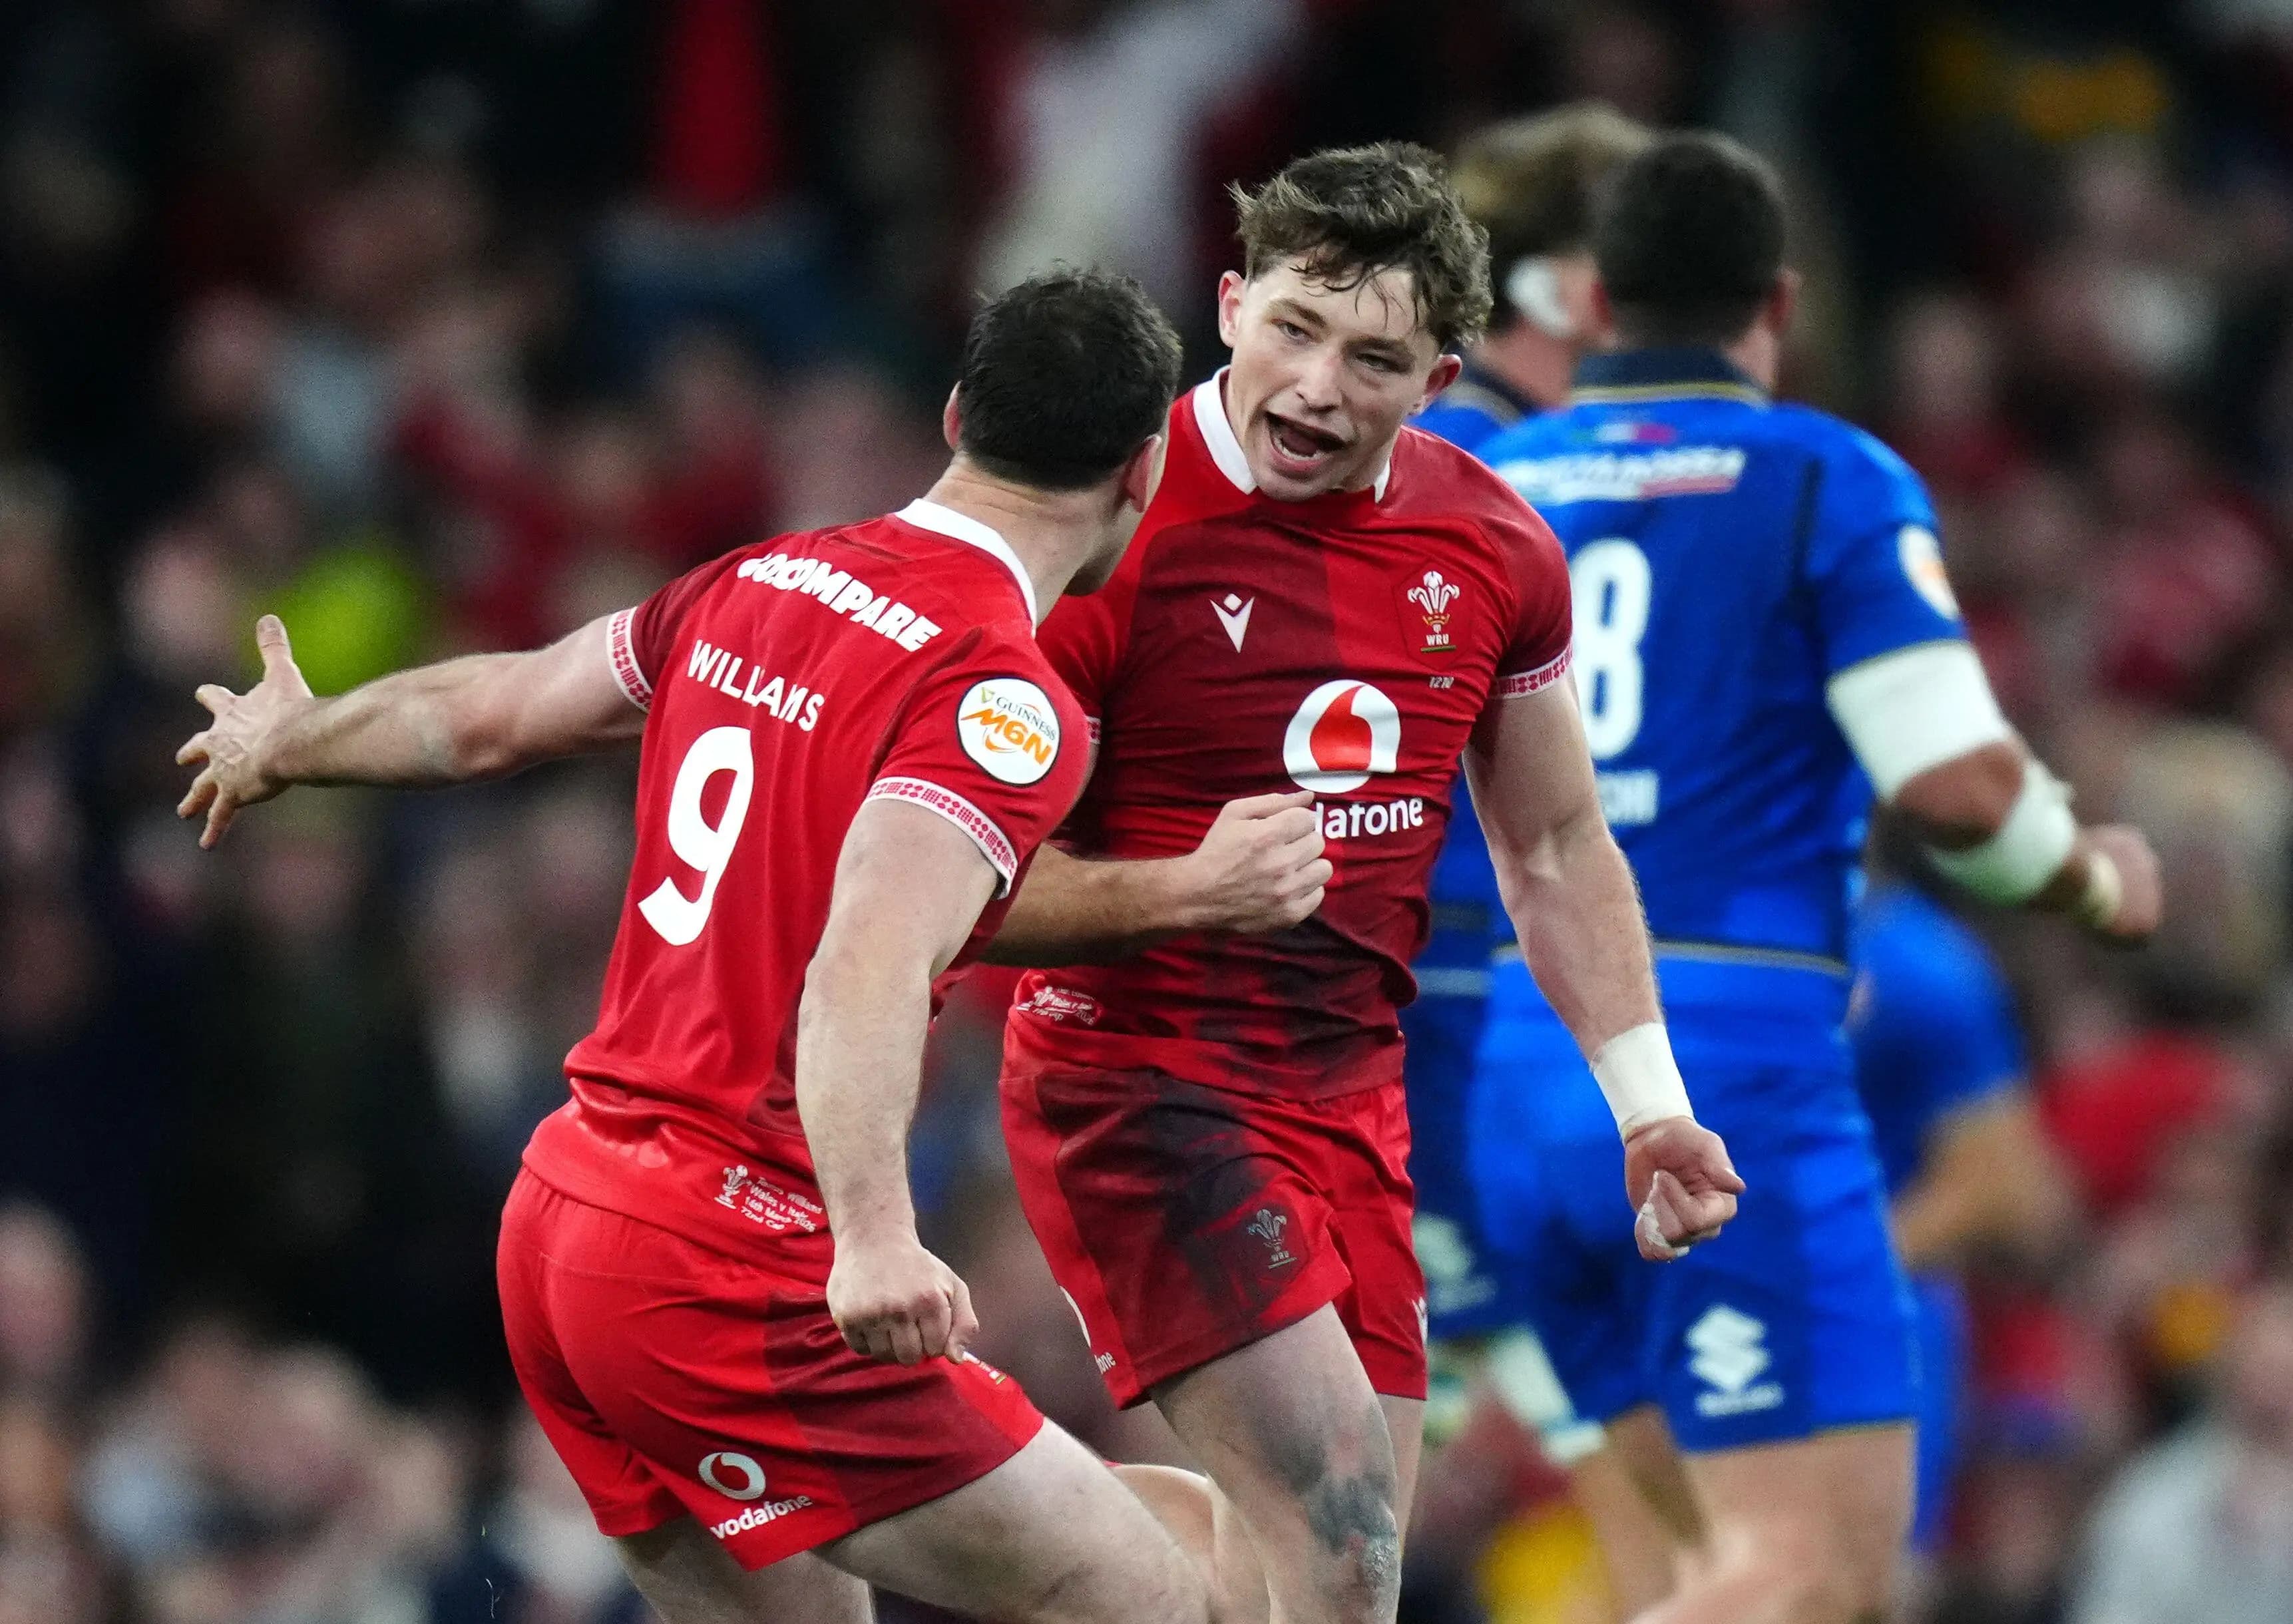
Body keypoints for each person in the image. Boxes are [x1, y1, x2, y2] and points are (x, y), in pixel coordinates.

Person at [172, 270, 1274, 1624]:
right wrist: (874, 1235)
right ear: (1145, 470)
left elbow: (492, 714)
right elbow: (868, 950)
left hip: (566, 1219)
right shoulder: (1001, 692)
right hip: (727, 1256)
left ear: (951, 417)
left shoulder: (762, 578)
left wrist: (300, 735)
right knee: (1152, 1600)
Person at [980, 142, 1745, 1624]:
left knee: (1312, 1582)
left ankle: (916, 1495)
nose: (1321, 387)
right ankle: (908, 1497)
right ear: (1225, 306)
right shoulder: (1094, 522)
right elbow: (941, 875)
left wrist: (1649, 1105)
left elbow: (1554, 846)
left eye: (1374, 357)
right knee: (1339, 1545)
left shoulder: (1494, 541)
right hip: (1137, 1083)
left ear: (1442, 378)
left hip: (1347, 1098)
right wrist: (1182, 890)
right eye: (1294, 328)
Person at [1466, 132, 2161, 1624]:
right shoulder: (1822, 476)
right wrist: (2089, 872)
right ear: (1775, 303)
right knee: (1809, 1577)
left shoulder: (1491, 481)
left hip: (1513, 1064)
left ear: (1592, 299)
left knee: (1693, 1568)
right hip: (1729, 1078)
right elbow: (1956, 782)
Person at [1401, 102, 1656, 1427]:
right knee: (1579, 1405)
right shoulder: (1497, 475)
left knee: (1438, 1411)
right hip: (1456, 984)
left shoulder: (1452, 457)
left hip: (1477, 970)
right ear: (1566, 288)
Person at [1850, 874, 2071, 1560]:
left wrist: (1826, 1261)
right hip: (1710, 1297)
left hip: (1880, 1318)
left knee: (1866, 1578)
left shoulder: (1916, 965)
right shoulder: (1700, 924)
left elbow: (2011, 1189)